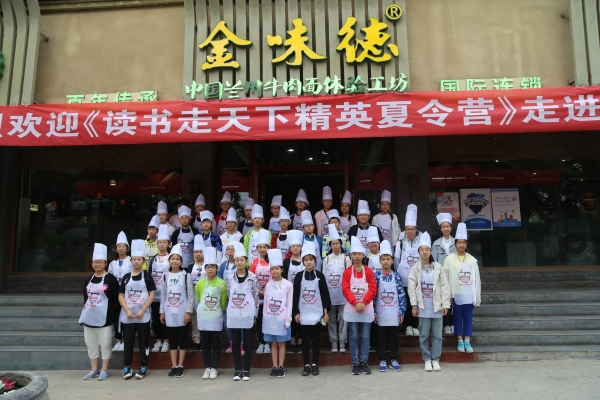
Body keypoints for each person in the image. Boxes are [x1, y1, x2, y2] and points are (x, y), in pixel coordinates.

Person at [408, 232, 450, 372]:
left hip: (437, 306)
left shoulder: (438, 267)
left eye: (427, 249)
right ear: (419, 252)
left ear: (431, 252)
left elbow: (444, 286)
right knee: (424, 335)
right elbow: (412, 288)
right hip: (422, 307)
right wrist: (414, 305)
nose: (424, 252)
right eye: (422, 249)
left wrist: (445, 304)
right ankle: (427, 359)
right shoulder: (415, 268)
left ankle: (435, 359)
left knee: (437, 336)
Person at [79, 243, 119, 381]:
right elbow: (85, 297)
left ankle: (104, 369)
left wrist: (112, 314)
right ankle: (94, 369)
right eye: (95, 262)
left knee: (105, 343)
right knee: (91, 344)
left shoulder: (110, 279)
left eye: (100, 262)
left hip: (105, 317)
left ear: (105, 263)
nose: (97, 264)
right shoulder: (88, 279)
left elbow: (116, 298)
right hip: (89, 316)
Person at [293, 241, 331, 376]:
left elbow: (325, 295)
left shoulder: (320, 276)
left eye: (311, 259)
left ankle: (315, 364)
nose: (308, 262)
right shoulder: (299, 276)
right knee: (305, 339)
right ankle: (306, 365)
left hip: (317, 313)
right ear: (303, 261)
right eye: (306, 260)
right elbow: (296, 295)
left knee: (316, 339)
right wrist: (296, 312)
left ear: (315, 260)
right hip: (303, 313)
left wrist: (325, 312)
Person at [119, 240, 156, 380]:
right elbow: (120, 295)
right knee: (128, 342)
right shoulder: (126, 277)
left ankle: (143, 366)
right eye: (134, 259)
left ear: (143, 261)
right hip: (128, 316)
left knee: (143, 342)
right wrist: (127, 310)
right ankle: (127, 366)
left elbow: (152, 294)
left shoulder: (147, 277)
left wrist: (142, 310)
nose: (136, 262)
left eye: (139, 259)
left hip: (143, 316)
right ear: (131, 261)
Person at [443, 223, 481, 354]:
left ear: (467, 244)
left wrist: (476, 296)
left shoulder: (472, 260)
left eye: (463, 242)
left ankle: (467, 340)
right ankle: (460, 340)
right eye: (459, 242)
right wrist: (448, 295)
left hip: (469, 294)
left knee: (468, 319)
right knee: (457, 318)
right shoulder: (449, 259)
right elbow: (445, 278)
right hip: (456, 295)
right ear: (455, 244)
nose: (461, 245)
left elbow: (476, 280)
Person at [159, 244, 194, 378]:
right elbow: (163, 296)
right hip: (169, 311)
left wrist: (188, 312)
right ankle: (174, 365)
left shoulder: (186, 276)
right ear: (169, 261)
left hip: (182, 311)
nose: (175, 261)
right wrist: (162, 312)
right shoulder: (165, 276)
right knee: (172, 340)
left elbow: (190, 296)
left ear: (181, 261)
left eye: (177, 259)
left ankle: (181, 365)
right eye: (172, 259)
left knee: (183, 340)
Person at [343, 237, 377, 375]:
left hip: (366, 308)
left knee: (365, 336)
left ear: (363, 255)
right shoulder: (347, 272)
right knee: (353, 336)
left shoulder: (368, 271)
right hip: (352, 308)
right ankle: (355, 362)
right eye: (354, 254)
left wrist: (364, 302)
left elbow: (373, 288)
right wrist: (355, 303)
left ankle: (364, 361)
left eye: (359, 254)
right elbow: (345, 289)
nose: (357, 257)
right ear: (351, 256)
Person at [226, 241, 259, 382]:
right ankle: (237, 369)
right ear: (234, 261)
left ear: (246, 261)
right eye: (237, 260)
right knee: (235, 342)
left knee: (248, 342)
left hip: (248, 313)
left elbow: (255, 296)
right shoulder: (229, 277)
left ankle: (246, 369)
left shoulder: (252, 277)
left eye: (242, 260)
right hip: (234, 313)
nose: (239, 262)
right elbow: (229, 294)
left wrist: (255, 314)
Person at [373, 240, 406, 373]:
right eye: (383, 259)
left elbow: (401, 295)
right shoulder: (376, 276)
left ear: (392, 261)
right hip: (380, 312)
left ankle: (394, 359)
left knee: (394, 337)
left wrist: (401, 312)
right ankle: (382, 359)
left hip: (394, 312)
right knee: (381, 337)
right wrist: (374, 312)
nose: (385, 262)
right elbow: (373, 295)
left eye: (388, 259)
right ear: (380, 261)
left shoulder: (396, 276)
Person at [195, 247, 227, 380]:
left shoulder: (222, 283)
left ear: (217, 268)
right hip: (203, 317)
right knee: (205, 344)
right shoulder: (200, 283)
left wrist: (218, 310)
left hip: (216, 317)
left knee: (216, 344)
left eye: (213, 267)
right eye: (208, 267)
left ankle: (214, 368)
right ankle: (207, 367)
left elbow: (223, 301)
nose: (210, 269)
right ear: (205, 268)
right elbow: (198, 299)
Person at [263, 249, 293, 378]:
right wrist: (265, 318)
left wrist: (288, 319)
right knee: (273, 343)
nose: (274, 271)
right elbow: (266, 303)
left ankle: (281, 366)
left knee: (281, 342)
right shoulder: (268, 285)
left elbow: (289, 303)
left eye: (277, 269)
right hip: (270, 318)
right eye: (272, 269)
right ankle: (274, 366)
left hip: (282, 318)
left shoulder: (288, 285)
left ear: (282, 270)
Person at [322, 224, 351, 353]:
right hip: (330, 294)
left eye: (337, 243)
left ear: (341, 244)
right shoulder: (326, 259)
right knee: (332, 319)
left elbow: (349, 277)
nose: (335, 246)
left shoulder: (346, 259)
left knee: (344, 318)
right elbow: (324, 276)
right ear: (330, 245)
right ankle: (334, 341)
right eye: (333, 244)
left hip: (343, 294)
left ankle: (343, 341)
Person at [395, 205, 421, 337]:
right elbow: (396, 260)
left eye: (412, 229)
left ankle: (415, 325)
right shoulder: (400, 243)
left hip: (417, 278)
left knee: (415, 302)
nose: (410, 231)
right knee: (405, 302)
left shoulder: (420, 242)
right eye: (408, 229)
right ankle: (407, 326)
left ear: (416, 230)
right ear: (405, 230)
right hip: (403, 278)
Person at [108, 231, 132, 352]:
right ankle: (118, 341)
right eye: (119, 246)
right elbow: (108, 280)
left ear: (127, 248)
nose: (121, 248)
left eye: (123, 246)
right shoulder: (112, 263)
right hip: (115, 295)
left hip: (128, 294)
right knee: (116, 318)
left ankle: (126, 341)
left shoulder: (131, 261)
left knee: (126, 317)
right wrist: (106, 291)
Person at [433, 213, 457, 335]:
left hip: (454, 276)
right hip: (441, 276)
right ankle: (446, 324)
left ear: (451, 228)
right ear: (440, 229)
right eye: (443, 227)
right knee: (444, 299)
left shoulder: (456, 242)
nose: (446, 229)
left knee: (454, 299)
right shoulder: (436, 244)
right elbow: (434, 262)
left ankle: (453, 323)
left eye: (448, 226)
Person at [249, 229, 273, 354]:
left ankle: (268, 342)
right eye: (260, 247)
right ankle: (260, 343)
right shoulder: (253, 263)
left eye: (265, 247)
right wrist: (258, 291)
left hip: (270, 296)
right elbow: (251, 280)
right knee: (258, 321)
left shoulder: (272, 262)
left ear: (268, 248)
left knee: (268, 319)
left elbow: (275, 278)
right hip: (257, 297)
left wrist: (267, 292)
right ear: (257, 248)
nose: (262, 249)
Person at [148, 225, 171, 353]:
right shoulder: (153, 259)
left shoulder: (171, 258)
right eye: (160, 242)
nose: (162, 244)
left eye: (164, 242)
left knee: (166, 317)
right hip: (155, 294)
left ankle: (166, 341)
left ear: (168, 244)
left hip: (167, 294)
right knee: (156, 317)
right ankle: (158, 340)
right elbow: (149, 275)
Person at [282, 229, 305, 354]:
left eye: (298, 246)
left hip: (303, 294)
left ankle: (300, 342)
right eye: (293, 246)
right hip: (289, 294)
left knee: (301, 318)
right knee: (290, 317)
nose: (295, 248)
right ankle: (292, 342)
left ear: (301, 248)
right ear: (290, 248)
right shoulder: (286, 263)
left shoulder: (305, 261)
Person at [217, 244, 240, 354]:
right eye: (228, 249)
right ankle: (231, 342)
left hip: (237, 298)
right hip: (225, 298)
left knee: (238, 321)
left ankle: (240, 343)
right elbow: (219, 281)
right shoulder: (222, 266)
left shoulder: (240, 265)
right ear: (225, 252)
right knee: (227, 323)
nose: (230, 251)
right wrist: (223, 293)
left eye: (233, 249)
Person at [187, 235, 206, 352]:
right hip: (193, 295)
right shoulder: (190, 266)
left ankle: (205, 340)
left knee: (205, 318)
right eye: (196, 252)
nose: (198, 254)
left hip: (205, 296)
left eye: (200, 252)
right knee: (195, 319)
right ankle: (196, 340)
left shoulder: (208, 265)